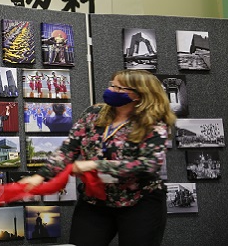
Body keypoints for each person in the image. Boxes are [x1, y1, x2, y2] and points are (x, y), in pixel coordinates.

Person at [20, 69, 175, 246]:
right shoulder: (94, 113)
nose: (112, 91)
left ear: (139, 94)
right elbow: (68, 149)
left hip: (139, 201)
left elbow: (148, 165)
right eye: (112, 86)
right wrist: (40, 176)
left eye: (120, 89)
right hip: (95, 201)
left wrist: (95, 166)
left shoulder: (153, 123)